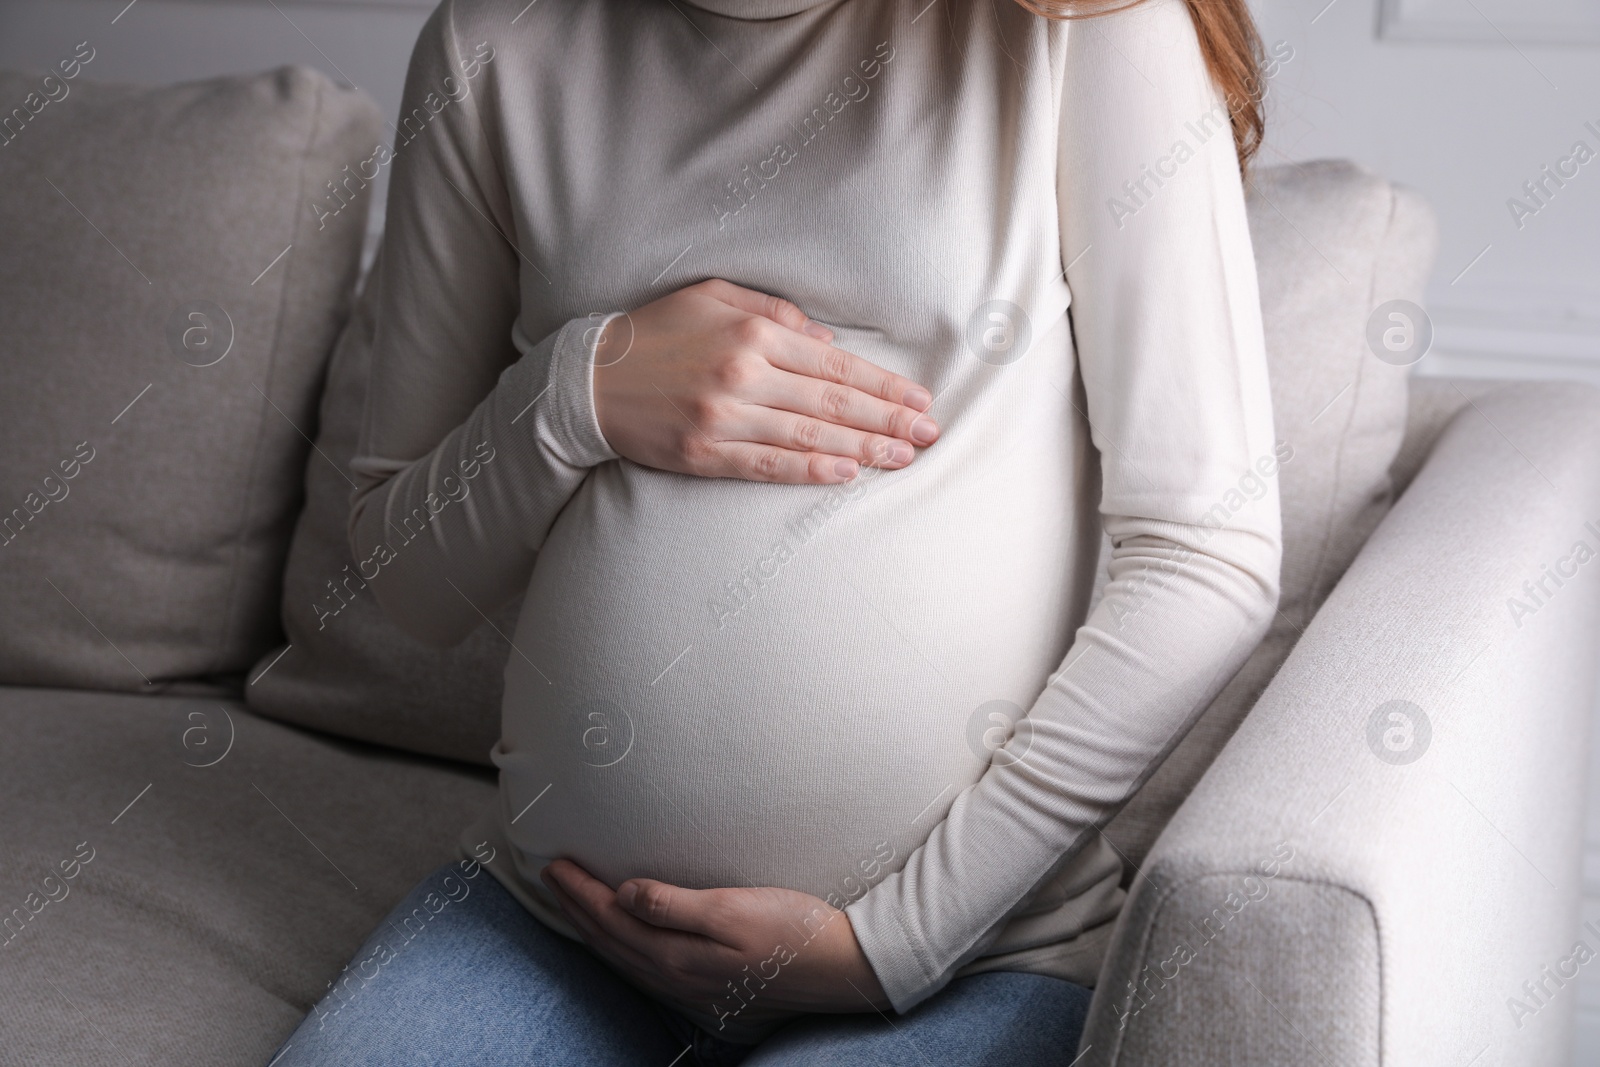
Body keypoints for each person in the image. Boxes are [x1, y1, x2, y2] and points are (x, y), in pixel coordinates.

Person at [270, 0, 1282, 1062]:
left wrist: (889, 942)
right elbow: (405, 581)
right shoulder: (493, 47)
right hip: (558, 925)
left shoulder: (1087, 28)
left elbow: (1205, 554)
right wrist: (575, 394)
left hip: (967, 962)